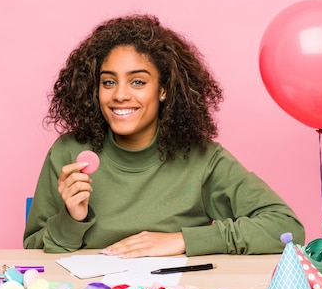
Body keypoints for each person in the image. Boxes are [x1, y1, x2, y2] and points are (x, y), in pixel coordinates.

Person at [23, 14, 305, 258]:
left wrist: (183, 240)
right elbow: (31, 250)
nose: (120, 95)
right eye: (109, 82)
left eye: (138, 82)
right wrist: (72, 218)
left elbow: (286, 227)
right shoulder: (68, 152)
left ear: (164, 89)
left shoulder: (202, 159)